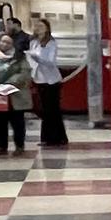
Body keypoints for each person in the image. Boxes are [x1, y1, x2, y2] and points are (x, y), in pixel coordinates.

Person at [0, 34, 32, 155]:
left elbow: (25, 73)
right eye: (3, 41)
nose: (5, 44)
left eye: (8, 42)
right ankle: (2, 146)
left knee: (17, 122)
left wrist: (10, 83)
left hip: (15, 94)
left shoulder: (20, 57)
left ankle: (19, 146)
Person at [25, 19, 69, 147]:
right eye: (37, 26)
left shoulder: (51, 43)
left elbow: (50, 61)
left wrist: (38, 58)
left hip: (51, 80)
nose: (38, 28)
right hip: (39, 79)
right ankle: (49, 137)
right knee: (44, 109)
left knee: (52, 109)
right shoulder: (33, 42)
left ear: (47, 28)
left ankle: (55, 138)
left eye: (41, 26)